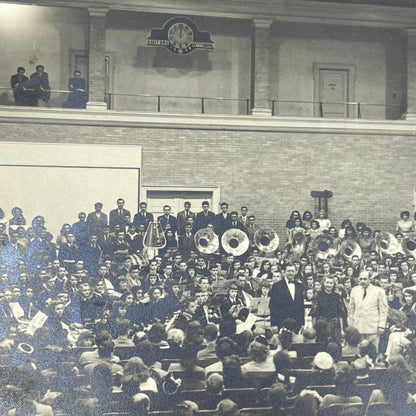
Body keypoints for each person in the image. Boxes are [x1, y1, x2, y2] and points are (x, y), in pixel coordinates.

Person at [348, 271, 388, 350]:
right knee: (359, 349)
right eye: (361, 279)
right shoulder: (354, 290)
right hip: (358, 326)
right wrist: (351, 323)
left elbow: (383, 310)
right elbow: (351, 309)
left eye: (365, 279)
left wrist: (381, 325)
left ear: (370, 280)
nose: (362, 281)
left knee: (373, 348)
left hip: (373, 326)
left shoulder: (379, 291)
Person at [270, 263, 305, 332]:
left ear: (296, 272)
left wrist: (302, 323)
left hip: (296, 322)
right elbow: (273, 306)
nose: (291, 273)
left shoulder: (299, 286)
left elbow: (301, 305)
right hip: (282, 321)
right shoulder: (276, 286)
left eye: (292, 271)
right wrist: (274, 324)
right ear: (284, 272)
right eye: (289, 271)